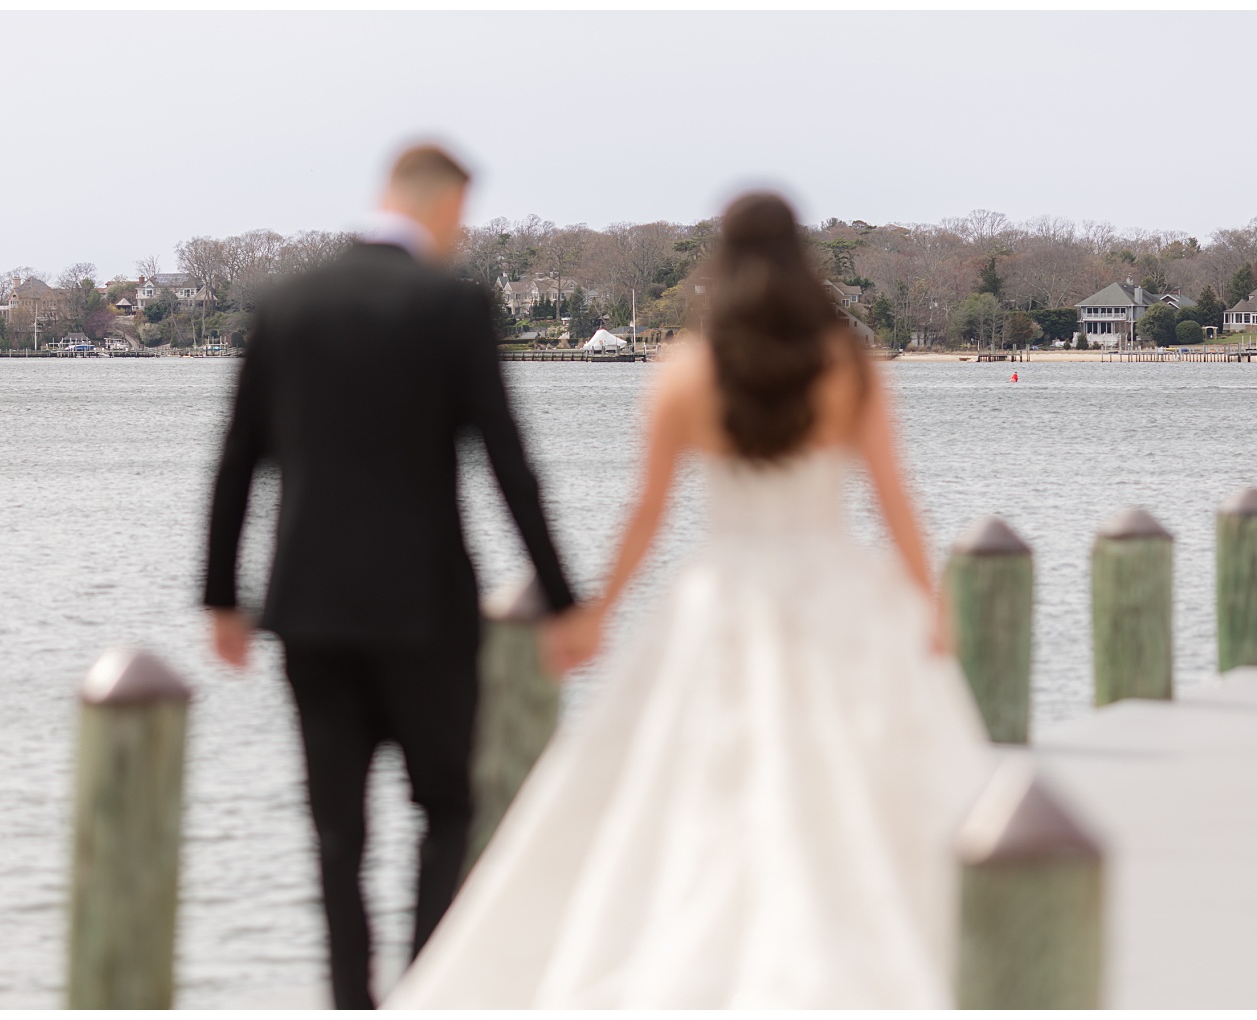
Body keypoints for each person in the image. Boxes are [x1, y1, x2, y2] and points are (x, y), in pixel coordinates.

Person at [386, 192, 991, 1008]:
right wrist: (931, 602)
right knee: (842, 784)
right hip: (835, 589)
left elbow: (646, 513)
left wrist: (596, 612)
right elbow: (894, 502)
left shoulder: (687, 371)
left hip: (724, 594)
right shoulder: (845, 364)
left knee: (709, 786)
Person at [203, 144, 575, 1009]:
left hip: (307, 610)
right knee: (446, 808)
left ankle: (350, 1003)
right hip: (425, 611)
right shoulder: (452, 307)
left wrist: (221, 597)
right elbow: (510, 467)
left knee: (337, 831)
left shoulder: (287, 305)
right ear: (445, 204)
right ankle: (428, 991)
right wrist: (563, 600)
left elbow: (236, 464)